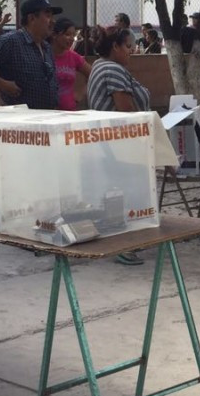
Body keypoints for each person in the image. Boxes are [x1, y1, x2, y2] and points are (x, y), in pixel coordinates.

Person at [87, 26, 152, 265]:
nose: (131, 51)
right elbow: (126, 110)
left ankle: (121, 240)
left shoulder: (102, 65)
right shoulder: (112, 70)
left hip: (109, 142)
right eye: (128, 47)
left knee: (117, 192)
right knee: (126, 192)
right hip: (118, 143)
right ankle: (124, 244)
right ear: (115, 46)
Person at [0, 0, 60, 109]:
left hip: (47, 116)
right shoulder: (11, 41)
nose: (53, 21)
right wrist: (2, 84)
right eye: (47, 15)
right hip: (20, 120)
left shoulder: (46, 47)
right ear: (32, 18)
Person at [50, 17, 92, 111]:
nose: (72, 39)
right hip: (48, 112)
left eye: (73, 35)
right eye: (67, 34)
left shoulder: (74, 57)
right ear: (54, 35)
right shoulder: (44, 55)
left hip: (70, 111)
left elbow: (93, 74)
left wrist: (80, 95)